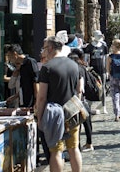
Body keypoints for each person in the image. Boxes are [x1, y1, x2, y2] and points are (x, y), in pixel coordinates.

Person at [37, 36, 82, 172]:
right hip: (72, 113)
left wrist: (39, 118)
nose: (43, 52)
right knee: (74, 148)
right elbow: (79, 90)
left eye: (44, 48)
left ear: (50, 48)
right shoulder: (74, 65)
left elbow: (42, 97)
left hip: (54, 116)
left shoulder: (47, 68)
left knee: (56, 151)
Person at [68, 49, 94, 153]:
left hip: (76, 101)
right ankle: (89, 143)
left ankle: (77, 146)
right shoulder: (82, 68)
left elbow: (80, 88)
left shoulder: (74, 70)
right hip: (84, 100)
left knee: (76, 126)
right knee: (87, 124)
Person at [6, 43, 39, 109]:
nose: (9, 59)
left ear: (15, 54)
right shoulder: (21, 66)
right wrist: (15, 96)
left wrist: (36, 100)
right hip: (22, 101)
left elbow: (36, 82)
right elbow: (24, 86)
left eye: (9, 56)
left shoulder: (30, 62)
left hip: (31, 101)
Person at [84, 30, 108, 114]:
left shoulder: (104, 46)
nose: (100, 37)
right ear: (94, 36)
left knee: (103, 88)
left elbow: (105, 58)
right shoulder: (89, 47)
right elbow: (86, 59)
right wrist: (87, 68)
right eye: (98, 35)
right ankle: (89, 106)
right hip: (93, 70)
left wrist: (107, 70)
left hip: (102, 70)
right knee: (92, 88)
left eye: (100, 35)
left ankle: (104, 106)